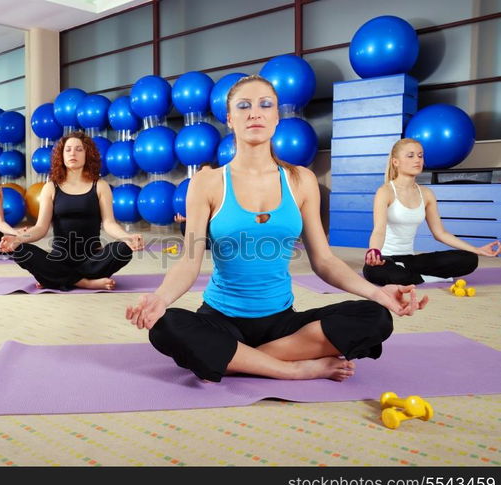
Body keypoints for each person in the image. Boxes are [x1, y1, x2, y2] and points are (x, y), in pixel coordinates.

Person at [125, 75, 428, 384]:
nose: (255, 113)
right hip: (220, 319)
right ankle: (290, 367)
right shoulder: (207, 182)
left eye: (265, 105)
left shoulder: (301, 180)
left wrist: (379, 294)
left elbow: (324, 261)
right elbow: (189, 262)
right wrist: (160, 298)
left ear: (276, 117)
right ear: (230, 119)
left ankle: (236, 358)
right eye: (244, 106)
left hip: (283, 323)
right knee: (166, 325)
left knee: (375, 317)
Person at [0, 131, 144, 290]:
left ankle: (56, 278)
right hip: (59, 259)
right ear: (61, 155)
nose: (72, 153)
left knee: (123, 249)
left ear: (87, 154)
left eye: (78, 149)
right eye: (67, 149)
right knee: (20, 251)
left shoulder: (100, 186)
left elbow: (109, 223)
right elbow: (40, 228)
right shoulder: (50, 188)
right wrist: (18, 239)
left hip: (92, 260)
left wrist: (127, 237)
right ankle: (84, 282)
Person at [363, 138, 500, 286]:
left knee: (469, 259)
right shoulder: (385, 192)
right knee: (376, 272)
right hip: (385, 259)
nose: (417, 160)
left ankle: (410, 274)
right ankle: (426, 277)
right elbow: (379, 230)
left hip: (410, 260)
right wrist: (374, 251)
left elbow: (440, 233)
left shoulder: (426, 194)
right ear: (395, 162)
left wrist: (476, 249)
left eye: (420, 155)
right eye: (410, 156)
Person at [174, 162, 216, 250]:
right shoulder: (197, 192)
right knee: (184, 225)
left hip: (215, 224)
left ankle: (209, 243)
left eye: (209, 173)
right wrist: (184, 219)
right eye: (203, 174)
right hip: (203, 226)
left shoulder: (219, 190)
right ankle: (201, 242)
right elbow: (197, 215)